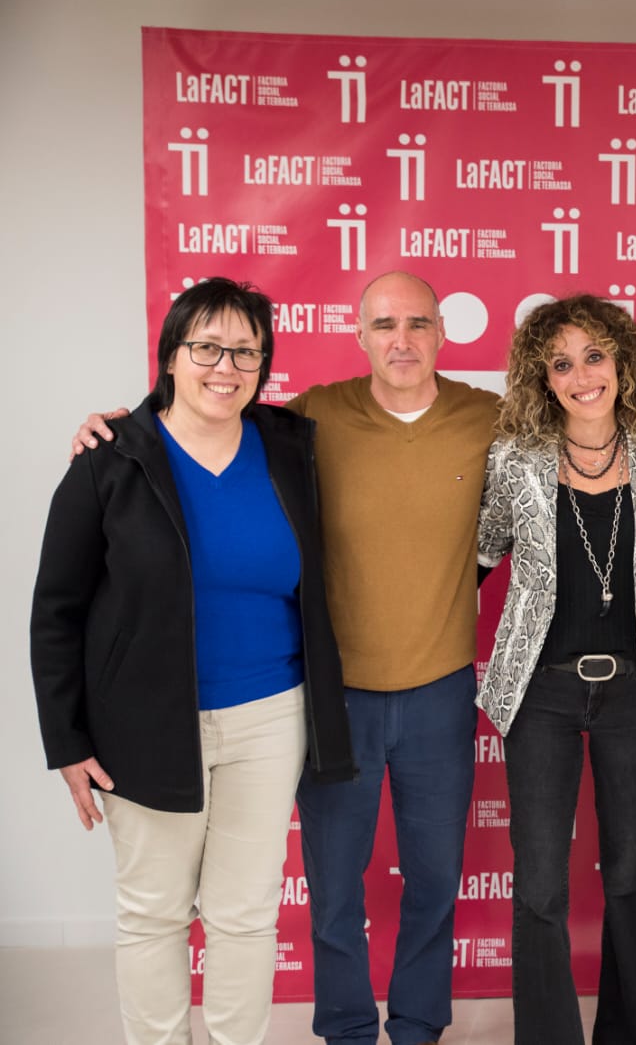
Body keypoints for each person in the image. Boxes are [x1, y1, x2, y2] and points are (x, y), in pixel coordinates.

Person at [74, 270, 501, 1045]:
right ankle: (343, 1028)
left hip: (441, 691)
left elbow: (569, 449)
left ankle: (417, 1027)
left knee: (434, 879)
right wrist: (115, 426)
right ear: (358, 334)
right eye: (382, 325)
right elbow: (198, 416)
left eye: (416, 324)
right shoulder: (306, 419)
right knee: (334, 887)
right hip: (330, 696)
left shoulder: (490, 417)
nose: (400, 340)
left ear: (444, 332)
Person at [32, 277, 354, 1045]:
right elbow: (56, 610)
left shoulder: (290, 446)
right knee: (153, 913)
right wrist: (67, 743)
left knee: (244, 915)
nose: (226, 365)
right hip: (142, 725)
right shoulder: (110, 460)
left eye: (246, 350)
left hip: (271, 717)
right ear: (171, 356)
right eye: (206, 346)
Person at [476, 295, 636, 1044]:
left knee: (627, 877)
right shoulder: (515, 460)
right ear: (542, 380)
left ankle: (626, 1034)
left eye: (595, 356)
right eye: (562, 363)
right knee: (542, 887)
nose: (582, 375)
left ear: (621, 362)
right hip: (540, 693)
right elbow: (483, 552)